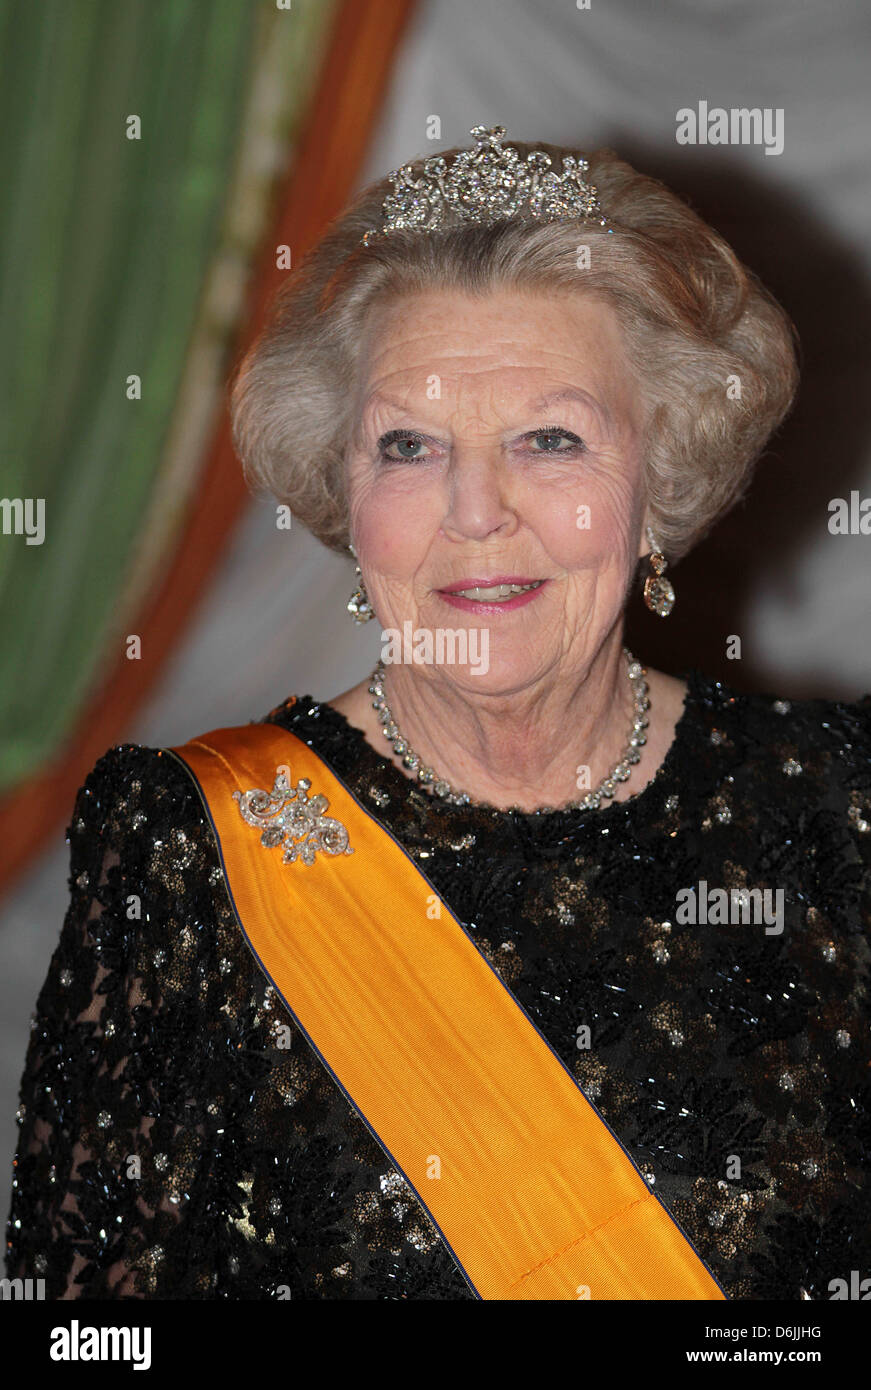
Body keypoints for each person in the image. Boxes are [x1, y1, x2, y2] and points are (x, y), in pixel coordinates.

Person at [6, 126, 870, 1300]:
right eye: (408, 447)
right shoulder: (198, 850)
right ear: (344, 493)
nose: (474, 512)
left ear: (660, 479)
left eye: (549, 439)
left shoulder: (837, 811)